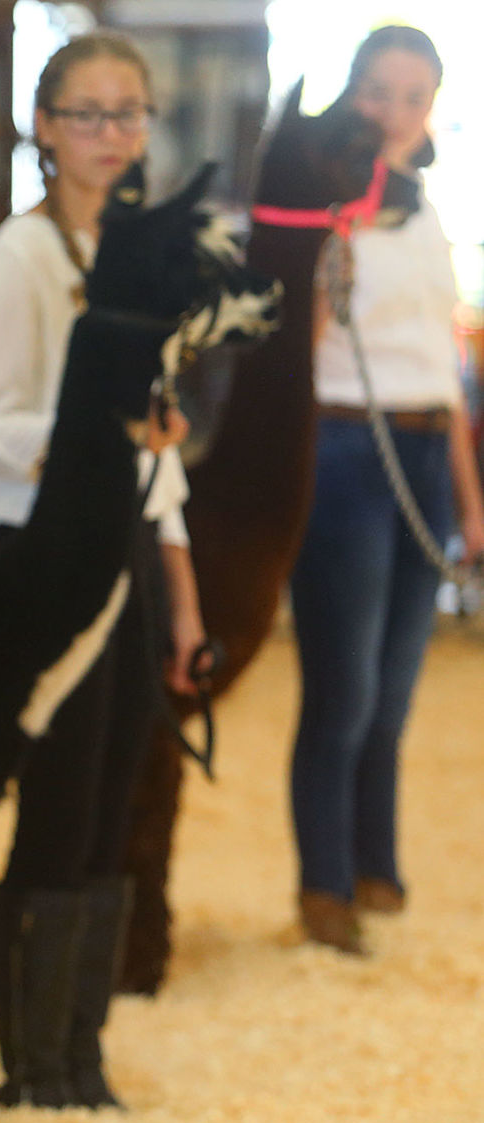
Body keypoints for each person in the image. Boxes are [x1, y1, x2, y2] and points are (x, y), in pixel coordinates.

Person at [0, 31, 204, 1110]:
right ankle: (32, 1067)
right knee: (57, 797)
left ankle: (80, 1054)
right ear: (45, 129)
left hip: (132, 554)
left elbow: (159, 456)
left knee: (114, 795)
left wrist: (182, 590)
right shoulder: (16, 254)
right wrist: (97, 437)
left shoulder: (143, 252)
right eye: (88, 113)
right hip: (44, 552)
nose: (111, 134)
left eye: (128, 113)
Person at [290, 25, 484, 955]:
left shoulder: (429, 210)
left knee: (397, 689)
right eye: (377, 91)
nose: (394, 113)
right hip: (342, 445)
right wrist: (332, 250)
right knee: (345, 687)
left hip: (424, 449)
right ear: (350, 93)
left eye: (413, 95)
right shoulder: (318, 207)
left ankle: (377, 871)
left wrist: (469, 498)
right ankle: (324, 887)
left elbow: (444, 372)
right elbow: (297, 346)